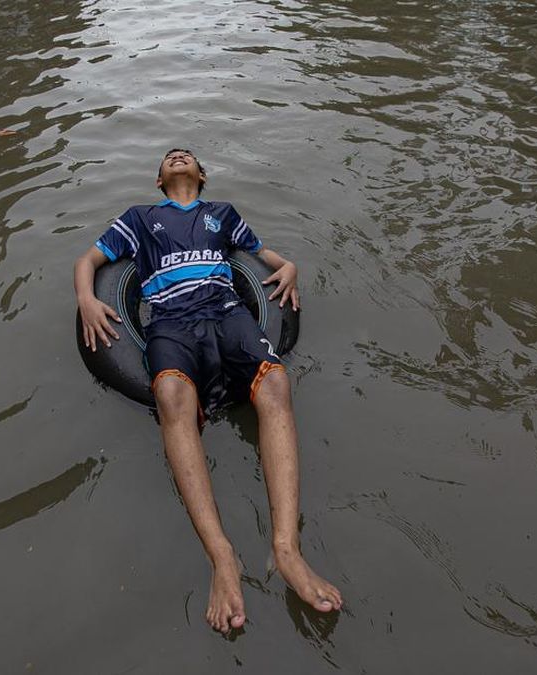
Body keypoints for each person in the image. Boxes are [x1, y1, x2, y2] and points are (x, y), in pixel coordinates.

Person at [73, 149, 342, 633]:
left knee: (277, 382)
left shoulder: (223, 215)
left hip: (228, 312)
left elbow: (266, 258)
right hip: (171, 321)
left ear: (202, 175)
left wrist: (291, 267)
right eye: (169, 157)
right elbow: (89, 260)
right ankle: (222, 557)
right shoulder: (141, 219)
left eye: (188, 155)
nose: (178, 156)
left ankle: (287, 550)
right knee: (173, 398)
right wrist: (86, 299)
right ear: (158, 179)